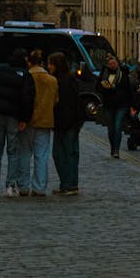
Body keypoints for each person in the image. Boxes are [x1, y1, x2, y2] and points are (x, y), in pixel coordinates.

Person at [0, 47, 35, 198]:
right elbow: (27, 99)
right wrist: (25, 118)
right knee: (13, 152)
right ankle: (10, 187)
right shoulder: (25, 75)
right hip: (14, 116)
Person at [18, 49, 59, 196]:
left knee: (24, 154)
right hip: (45, 121)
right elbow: (55, 101)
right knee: (41, 156)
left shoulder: (25, 77)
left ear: (29, 62)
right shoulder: (52, 80)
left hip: (27, 121)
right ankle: (39, 187)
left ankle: (23, 186)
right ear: (42, 63)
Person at [48, 50, 83, 194]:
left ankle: (67, 184)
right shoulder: (70, 78)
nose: (48, 66)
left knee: (62, 154)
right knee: (70, 154)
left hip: (64, 123)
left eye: (50, 63)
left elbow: (64, 105)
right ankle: (70, 184)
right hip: (71, 122)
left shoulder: (60, 81)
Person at [96, 54, 132, 158]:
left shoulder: (123, 73)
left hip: (121, 104)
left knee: (117, 127)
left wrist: (131, 104)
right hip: (109, 104)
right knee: (111, 128)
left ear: (117, 63)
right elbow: (98, 87)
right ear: (107, 65)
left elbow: (128, 88)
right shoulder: (104, 74)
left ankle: (116, 150)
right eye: (110, 64)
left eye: (114, 63)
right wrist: (105, 88)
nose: (113, 65)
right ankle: (112, 147)